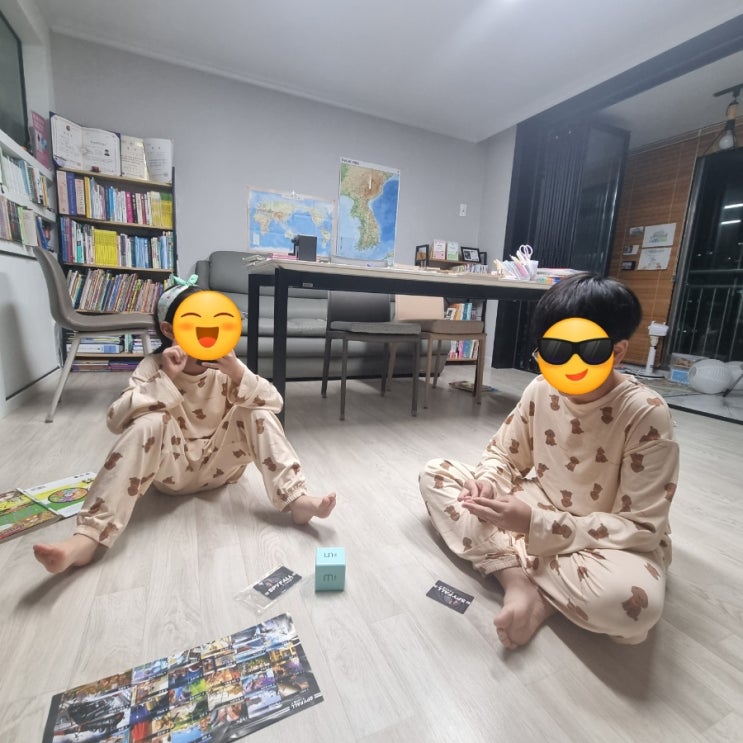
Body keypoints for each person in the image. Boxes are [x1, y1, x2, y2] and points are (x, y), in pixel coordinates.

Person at [419, 273, 679, 648]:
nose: (562, 365)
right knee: (436, 475)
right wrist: (488, 482)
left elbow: (640, 526)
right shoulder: (542, 387)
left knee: (632, 605)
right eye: (552, 350)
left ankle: (533, 591)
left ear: (617, 352)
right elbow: (503, 455)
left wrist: (533, 525)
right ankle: (518, 582)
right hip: (538, 503)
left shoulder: (646, 413)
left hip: (604, 540)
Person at [34, 278, 336, 574]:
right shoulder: (153, 366)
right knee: (149, 421)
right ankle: (88, 538)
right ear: (169, 330)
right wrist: (166, 377)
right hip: (172, 472)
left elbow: (275, 402)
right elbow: (115, 420)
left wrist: (238, 373)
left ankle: (296, 499)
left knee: (257, 411)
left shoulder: (226, 366)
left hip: (221, 467)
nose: (208, 330)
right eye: (196, 322)